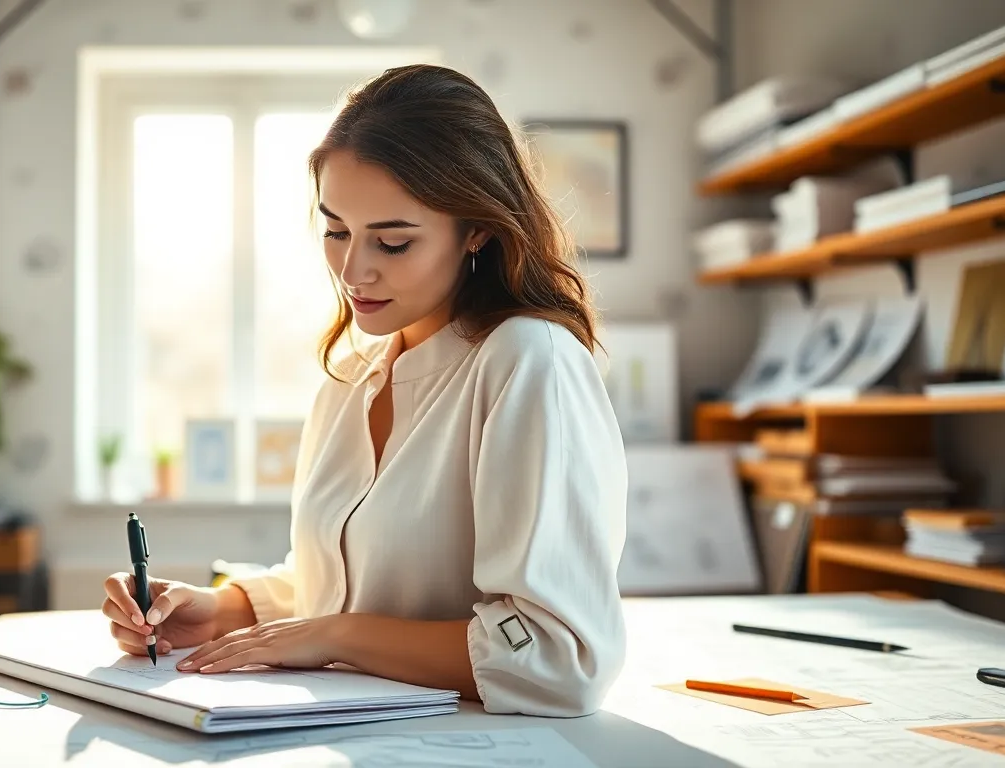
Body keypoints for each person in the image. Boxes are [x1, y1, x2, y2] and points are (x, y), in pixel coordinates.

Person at [102, 63, 628, 717]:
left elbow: (558, 658)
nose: (354, 270)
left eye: (394, 241)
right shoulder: (350, 380)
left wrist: (337, 637)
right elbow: (338, 587)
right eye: (336, 231)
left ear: (478, 229)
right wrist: (216, 613)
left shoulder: (529, 362)